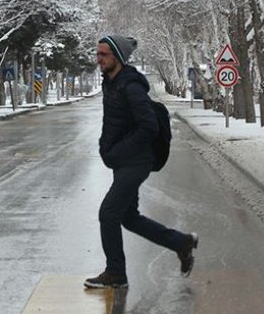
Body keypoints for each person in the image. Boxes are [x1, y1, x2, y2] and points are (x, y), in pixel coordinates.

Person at [85, 35, 198, 289]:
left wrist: (121, 151)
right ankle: (181, 243)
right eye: (98, 54)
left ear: (118, 58)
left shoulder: (130, 86)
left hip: (136, 161)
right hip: (125, 161)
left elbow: (148, 126)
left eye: (103, 54)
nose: (98, 59)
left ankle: (116, 274)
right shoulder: (111, 83)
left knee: (108, 213)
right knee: (128, 217)